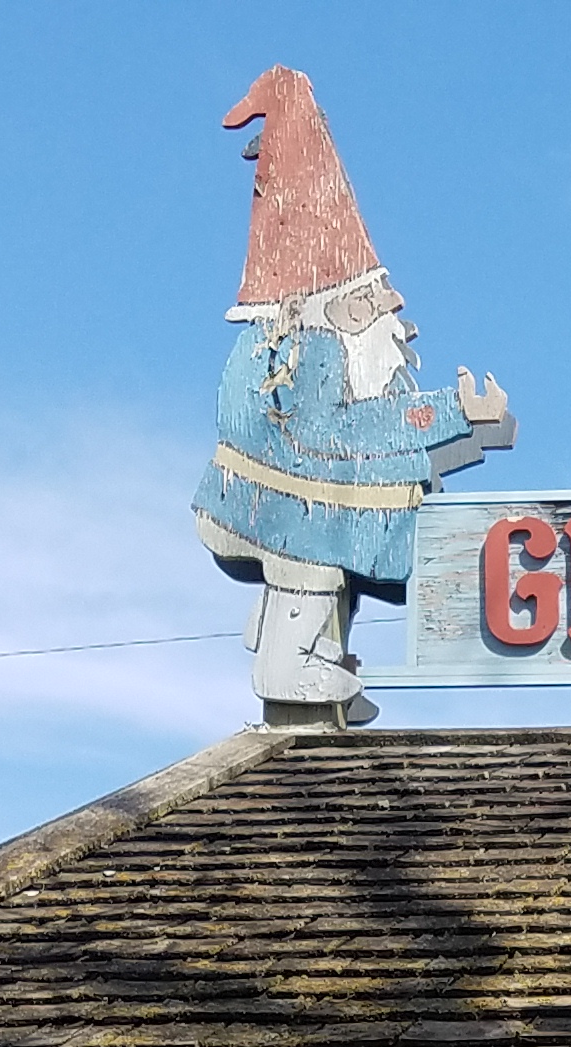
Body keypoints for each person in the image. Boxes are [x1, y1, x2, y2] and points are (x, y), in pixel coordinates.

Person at [195, 66, 517, 721]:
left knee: (316, 558)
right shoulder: (302, 350)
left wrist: (453, 418)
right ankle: (286, 664)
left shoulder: (304, 348)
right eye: (373, 298)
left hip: (280, 498)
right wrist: (450, 414)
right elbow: (341, 432)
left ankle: (296, 644)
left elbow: (357, 424)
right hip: (287, 504)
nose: (392, 311)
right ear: (338, 304)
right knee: (312, 560)